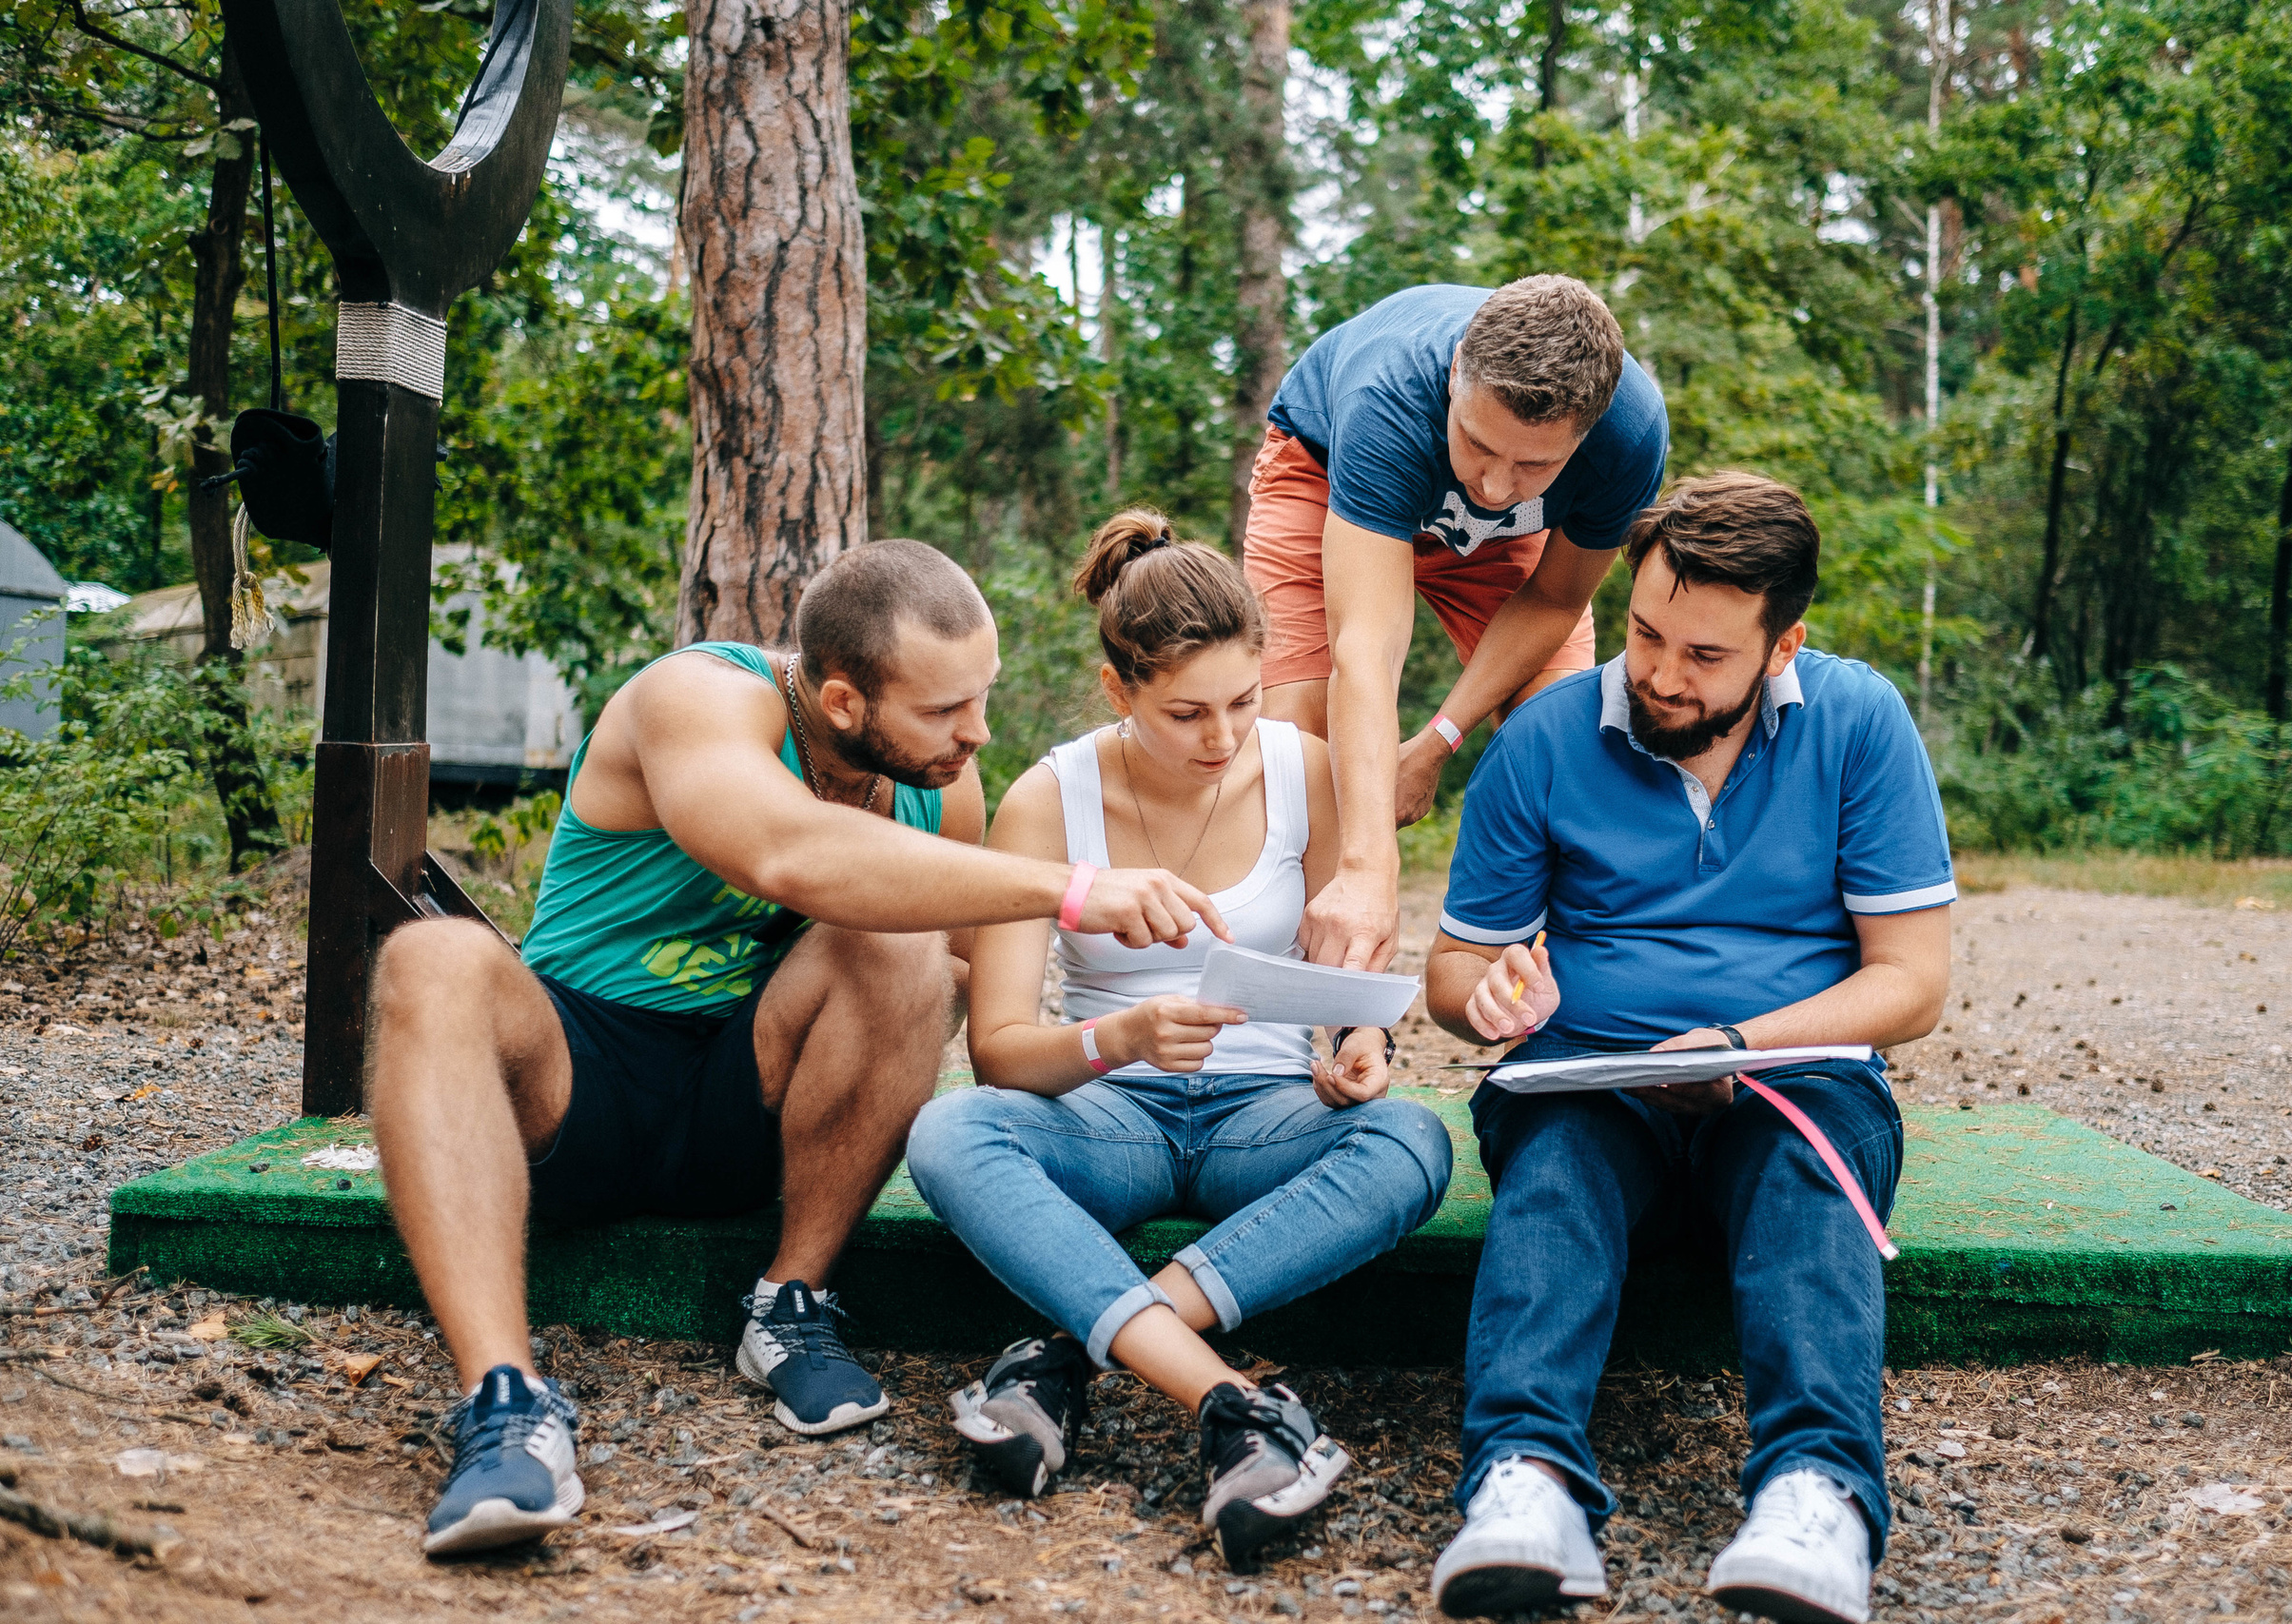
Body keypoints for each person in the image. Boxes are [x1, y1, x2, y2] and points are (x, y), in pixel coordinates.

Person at [370, 539, 1233, 1557]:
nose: (978, 733)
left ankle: (790, 1301)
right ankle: (505, 1405)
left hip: (752, 1104)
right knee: (432, 957)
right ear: (839, 701)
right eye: (944, 710)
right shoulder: (694, 699)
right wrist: (1077, 887)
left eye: (983, 698)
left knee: (909, 952)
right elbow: (786, 851)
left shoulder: (940, 783)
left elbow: (948, 989)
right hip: (578, 1079)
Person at [1418, 475, 1954, 1623]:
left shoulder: (1859, 723)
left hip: (1791, 1079)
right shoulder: (1547, 735)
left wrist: (1737, 1044)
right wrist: (1490, 997)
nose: (1662, 673)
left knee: (1808, 1171)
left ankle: (1817, 1495)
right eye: (1645, 633)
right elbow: (1450, 979)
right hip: (1588, 1080)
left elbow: (1910, 986)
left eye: (1705, 655)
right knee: (1554, 1166)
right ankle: (1526, 1483)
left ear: (1785, 643)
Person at [905, 511, 1454, 1570]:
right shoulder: (1047, 798)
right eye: (1185, 712)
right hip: (1112, 1118)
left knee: (1411, 1146)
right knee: (952, 1133)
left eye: (1244, 703)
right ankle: (1234, 1403)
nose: (1222, 738)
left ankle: (1067, 1356)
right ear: (1119, 691)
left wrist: (1355, 1045)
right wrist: (1123, 1035)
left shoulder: (1307, 770)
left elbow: (1347, 986)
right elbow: (1004, 1053)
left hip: (1270, 1117)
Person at [1244, 274, 1669, 976]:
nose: (1496, 486)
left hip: (1501, 545)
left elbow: (1555, 602)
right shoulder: (1389, 395)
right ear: (1458, 367)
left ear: (1588, 430)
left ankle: (1560, 987)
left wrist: (1439, 740)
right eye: (1477, 442)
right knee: (1298, 742)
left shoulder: (1630, 435)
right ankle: (1317, 992)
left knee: (1563, 734)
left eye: (1536, 463)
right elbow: (1368, 647)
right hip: (1328, 475)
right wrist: (1370, 869)